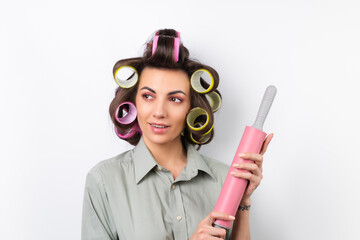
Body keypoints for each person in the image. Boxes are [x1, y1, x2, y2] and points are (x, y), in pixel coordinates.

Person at [81, 29, 273, 240]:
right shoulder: (104, 181)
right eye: (148, 96)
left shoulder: (224, 179)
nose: (159, 112)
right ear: (134, 101)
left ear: (192, 108)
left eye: (175, 99)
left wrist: (243, 202)